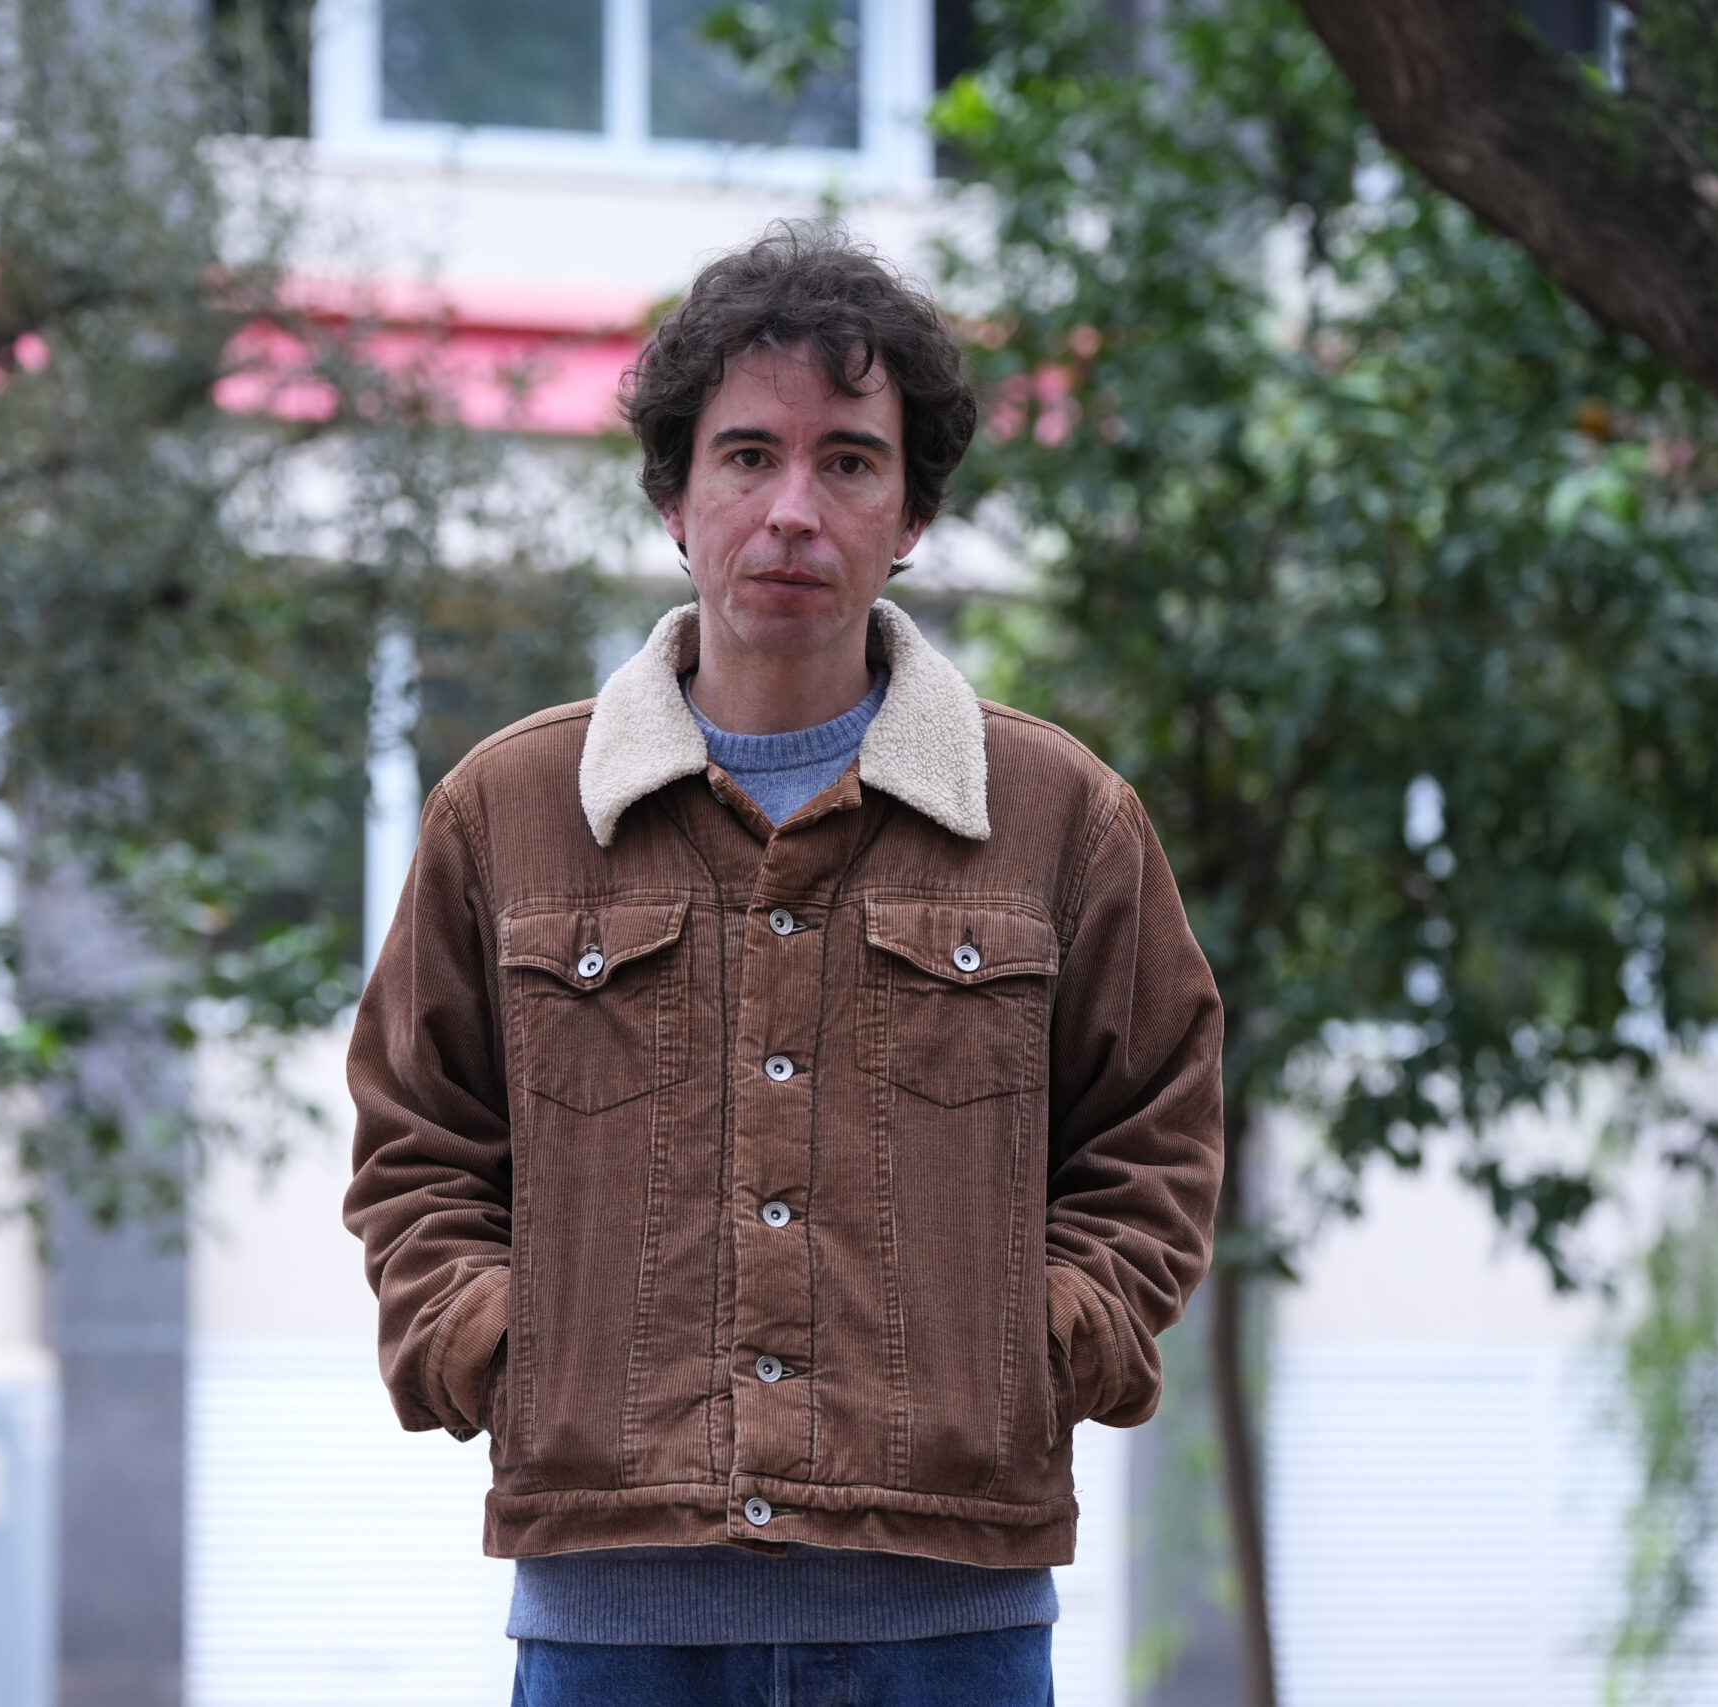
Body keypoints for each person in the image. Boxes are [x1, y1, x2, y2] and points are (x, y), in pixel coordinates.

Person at [343, 222, 1224, 1707]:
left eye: (850, 462)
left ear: (912, 510)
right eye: (748, 456)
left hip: (951, 1630)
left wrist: (1038, 1346)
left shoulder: (1060, 821)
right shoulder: (509, 814)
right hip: (611, 1627)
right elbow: (416, 1148)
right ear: (675, 498)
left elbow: (1155, 1141)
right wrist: (508, 1350)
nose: (793, 511)